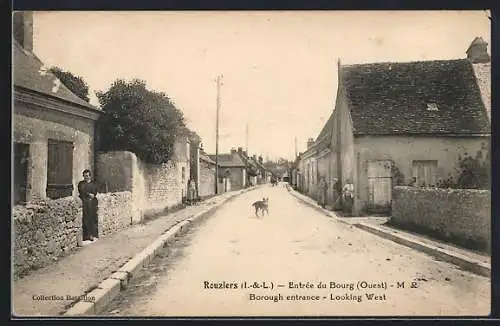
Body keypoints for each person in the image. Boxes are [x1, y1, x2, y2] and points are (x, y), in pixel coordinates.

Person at [78, 169, 99, 241]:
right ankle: (85, 235)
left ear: (90, 176)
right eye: (84, 176)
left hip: (92, 203)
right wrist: (88, 194)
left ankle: (91, 235)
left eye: (87, 176)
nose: (85, 177)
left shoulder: (93, 184)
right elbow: (81, 191)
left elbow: (95, 191)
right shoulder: (81, 183)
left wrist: (92, 195)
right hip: (84, 202)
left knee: (92, 219)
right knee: (85, 219)